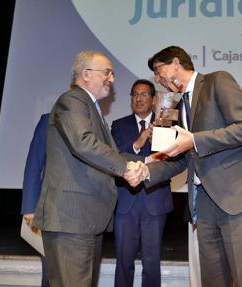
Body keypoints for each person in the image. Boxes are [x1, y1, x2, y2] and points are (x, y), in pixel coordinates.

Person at [144, 46, 242, 287]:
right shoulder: (173, 105)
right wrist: (146, 169)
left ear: (175, 63)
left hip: (236, 197)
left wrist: (193, 139)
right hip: (202, 204)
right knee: (212, 280)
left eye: (158, 70)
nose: (157, 79)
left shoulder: (217, 81)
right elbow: (184, 158)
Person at [32, 50, 148, 287]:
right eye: (107, 72)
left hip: (85, 220)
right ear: (86, 74)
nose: (112, 79)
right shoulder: (72, 100)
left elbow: (111, 153)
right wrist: (127, 168)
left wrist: (148, 164)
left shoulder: (91, 107)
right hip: (71, 218)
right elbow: (83, 142)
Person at [110, 79, 173, 287]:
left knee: (152, 262)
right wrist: (137, 144)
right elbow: (113, 157)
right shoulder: (119, 125)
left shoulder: (167, 122)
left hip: (154, 201)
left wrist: (161, 141)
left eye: (144, 94)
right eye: (134, 94)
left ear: (154, 99)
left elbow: (172, 161)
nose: (138, 98)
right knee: (124, 261)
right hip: (126, 202)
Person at [21, 113, 50, 287]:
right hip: (51, 214)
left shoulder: (95, 121)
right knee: (51, 276)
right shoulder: (50, 120)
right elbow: (34, 164)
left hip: (85, 217)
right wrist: (30, 208)